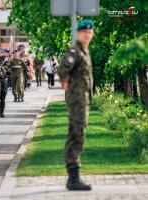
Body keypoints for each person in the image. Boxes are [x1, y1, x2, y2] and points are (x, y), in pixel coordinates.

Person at [58, 19, 94, 191]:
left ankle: (73, 177)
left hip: (83, 100)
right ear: (79, 33)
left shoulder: (84, 51)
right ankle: (73, 177)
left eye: (90, 32)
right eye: (84, 32)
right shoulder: (75, 50)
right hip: (77, 100)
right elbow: (63, 69)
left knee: (79, 133)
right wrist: (66, 84)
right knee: (76, 134)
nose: (87, 34)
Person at [0, 49, 11, 117]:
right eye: (6, 53)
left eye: (7, 53)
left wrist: (7, 69)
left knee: (3, 98)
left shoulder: (8, 61)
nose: (6, 54)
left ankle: (1, 112)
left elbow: (9, 71)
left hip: (4, 81)